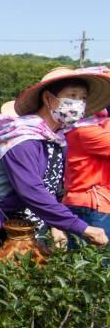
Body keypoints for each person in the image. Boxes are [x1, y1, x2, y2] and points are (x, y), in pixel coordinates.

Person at [0, 67, 110, 256]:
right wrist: (81, 227)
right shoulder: (23, 140)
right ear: (48, 98)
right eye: (72, 95)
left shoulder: (57, 140)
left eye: (82, 98)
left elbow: (54, 187)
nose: (78, 103)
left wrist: (56, 227)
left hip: (29, 227)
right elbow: (32, 191)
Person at [62, 100, 110, 249]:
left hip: (94, 204)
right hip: (91, 206)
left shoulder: (93, 126)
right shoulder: (85, 130)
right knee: (93, 264)